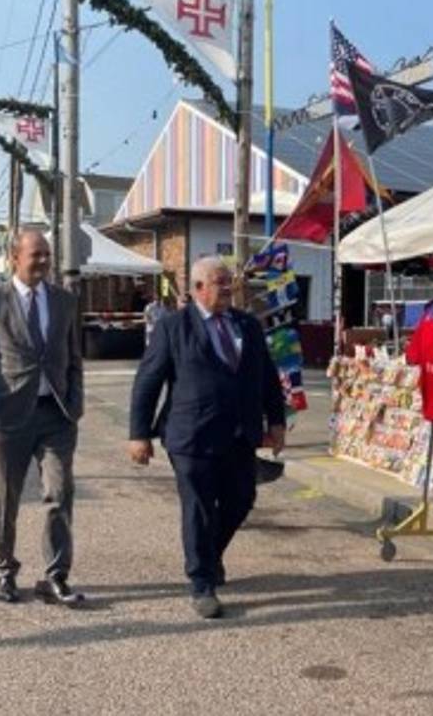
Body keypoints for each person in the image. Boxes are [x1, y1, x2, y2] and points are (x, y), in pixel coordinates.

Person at [127, 256, 286, 619]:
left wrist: (276, 422)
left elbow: (267, 377)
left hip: (239, 433)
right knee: (198, 507)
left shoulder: (247, 324)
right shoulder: (173, 327)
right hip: (190, 435)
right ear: (199, 288)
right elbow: (148, 381)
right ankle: (201, 582)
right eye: (220, 282)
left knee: (241, 499)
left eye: (230, 281)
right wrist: (139, 434)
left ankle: (210, 555)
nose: (228, 288)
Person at [0, 229, 85, 606]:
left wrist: (76, 401)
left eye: (47, 254)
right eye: (37, 255)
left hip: (56, 416)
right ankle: (4, 571)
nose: (44, 261)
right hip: (7, 416)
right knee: (3, 499)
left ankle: (56, 576)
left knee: (60, 494)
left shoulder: (64, 300)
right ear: (15, 257)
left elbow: (73, 357)